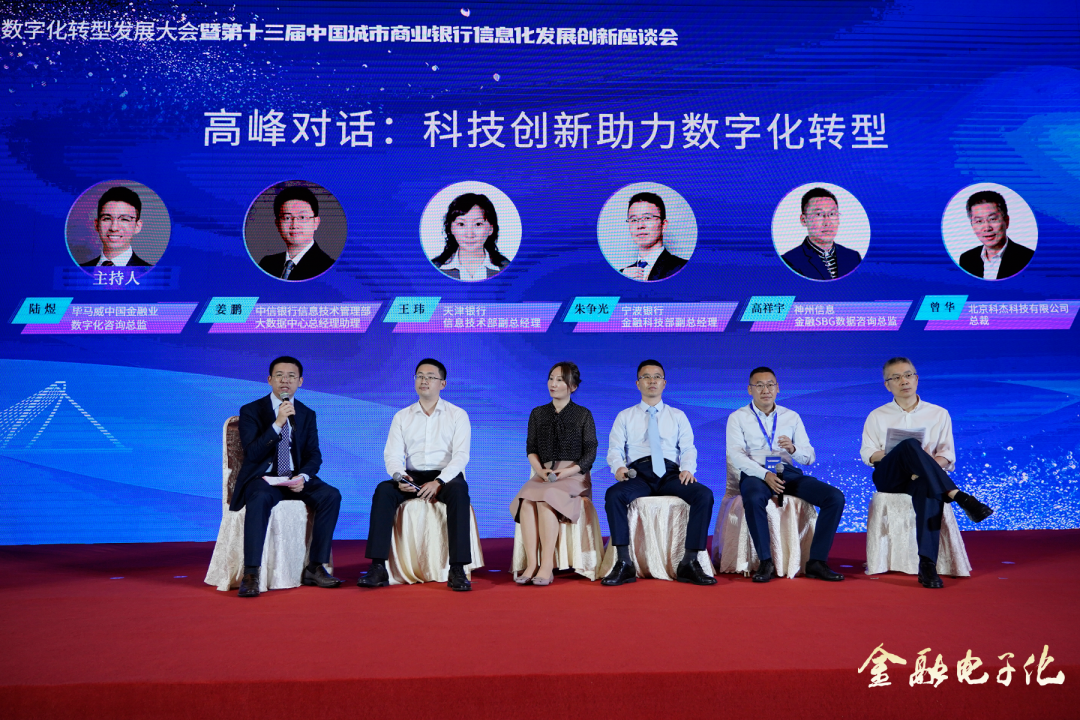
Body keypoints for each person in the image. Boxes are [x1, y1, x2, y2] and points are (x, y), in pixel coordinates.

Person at [861, 357, 994, 588]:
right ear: (887, 385)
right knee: (909, 445)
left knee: (929, 489)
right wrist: (901, 454)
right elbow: (869, 454)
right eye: (896, 377)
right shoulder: (877, 415)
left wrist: (922, 465)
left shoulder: (938, 414)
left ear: (916, 378)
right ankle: (959, 496)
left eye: (908, 375)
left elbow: (947, 456)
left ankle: (927, 565)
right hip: (889, 477)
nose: (904, 381)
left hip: (923, 478)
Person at [357, 359, 476, 591]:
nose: (424, 380)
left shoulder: (457, 415)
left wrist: (439, 481)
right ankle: (378, 566)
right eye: (420, 376)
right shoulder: (402, 416)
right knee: (383, 490)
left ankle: (457, 569)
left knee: (460, 491)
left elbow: (461, 456)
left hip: (446, 477)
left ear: (443, 384)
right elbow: (392, 455)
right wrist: (400, 477)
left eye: (430, 377)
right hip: (412, 476)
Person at [233, 356, 343, 597]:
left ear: (300, 381)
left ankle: (315, 567)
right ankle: (251, 573)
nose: (285, 380)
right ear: (269, 379)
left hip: (294, 478)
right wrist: (278, 423)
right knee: (259, 497)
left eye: (291, 376)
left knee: (331, 495)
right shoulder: (251, 410)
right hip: (263, 479)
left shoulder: (307, 413)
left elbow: (314, 454)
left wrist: (302, 476)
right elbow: (252, 453)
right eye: (280, 375)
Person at [726, 367, 846, 582]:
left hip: (786, 471)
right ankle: (765, 561)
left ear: (778, 388)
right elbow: (737, 456)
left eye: (770, 384)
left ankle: (817, 562)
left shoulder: (791, 416)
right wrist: (764, 475)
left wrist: (793, 449)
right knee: (753, 497)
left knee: (834, 497)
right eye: (759, 385)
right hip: (755, 472)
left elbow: (809, 457)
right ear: (750, 390)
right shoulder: (738, 417)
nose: (765, 390)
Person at [602, 360, 716, 586]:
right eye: (646, 377)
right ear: (638, 384)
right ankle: (624, 563)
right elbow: (614, 449)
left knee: (704, 495)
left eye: (657, 376)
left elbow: (688, 448)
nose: (652, 381)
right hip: (638, 474)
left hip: (671, 474)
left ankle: (689, 562)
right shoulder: (625, 416)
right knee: (613, 495)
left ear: (664, 383)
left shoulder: (678, 415)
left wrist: (687, 469)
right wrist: (619, 467)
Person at [510, 362, 598, 586]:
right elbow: (531, 448)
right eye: (551, 378)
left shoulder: (583, 414)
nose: (553, 383)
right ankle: (532, 564)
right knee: (526, 500)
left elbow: (590, 453)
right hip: (544, 474)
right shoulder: (538, 413)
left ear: (573, 387)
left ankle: (547, 565)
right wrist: (540, 470)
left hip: (574, 475)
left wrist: (566, 472)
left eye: (560, 380)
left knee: (546, 497)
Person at [780, 188, 863, 281]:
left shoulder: (853, 257)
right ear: (803, 220)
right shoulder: (790, 261)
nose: (827, 222)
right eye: (819, 214)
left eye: (832, 214)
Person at [257, 186, 336, 281]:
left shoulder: (329, 268)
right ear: (277, 224)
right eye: (287, 218)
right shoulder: (267, 264)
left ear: (316, 222)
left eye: (302, 217)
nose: (294, 225)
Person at [430, 193, 510, 281]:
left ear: (491, 229)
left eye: (478, 224)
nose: (469, 234)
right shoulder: (433, 269)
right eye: (461, 224)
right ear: (451, 228)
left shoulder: (508, 269)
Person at [958, 190, 1034, 280]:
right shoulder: (967, 259)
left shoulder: (1028, 259)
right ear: (972, 225)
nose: (987, 228)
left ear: (1006, 221)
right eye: (979, 221)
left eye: (992, 219)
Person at [619, 192, 688, 281]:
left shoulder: (682, 268)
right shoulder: (622, 274)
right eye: (634, 220)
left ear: (664, 225)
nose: (640, 225)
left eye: (647, 218)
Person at [80, 186, 152, 267]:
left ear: (137, 226)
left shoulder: (151, 272)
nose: (114, 228)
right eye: (107, 219)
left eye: (124, 219)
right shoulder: (78, 270)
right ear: (97, 225)